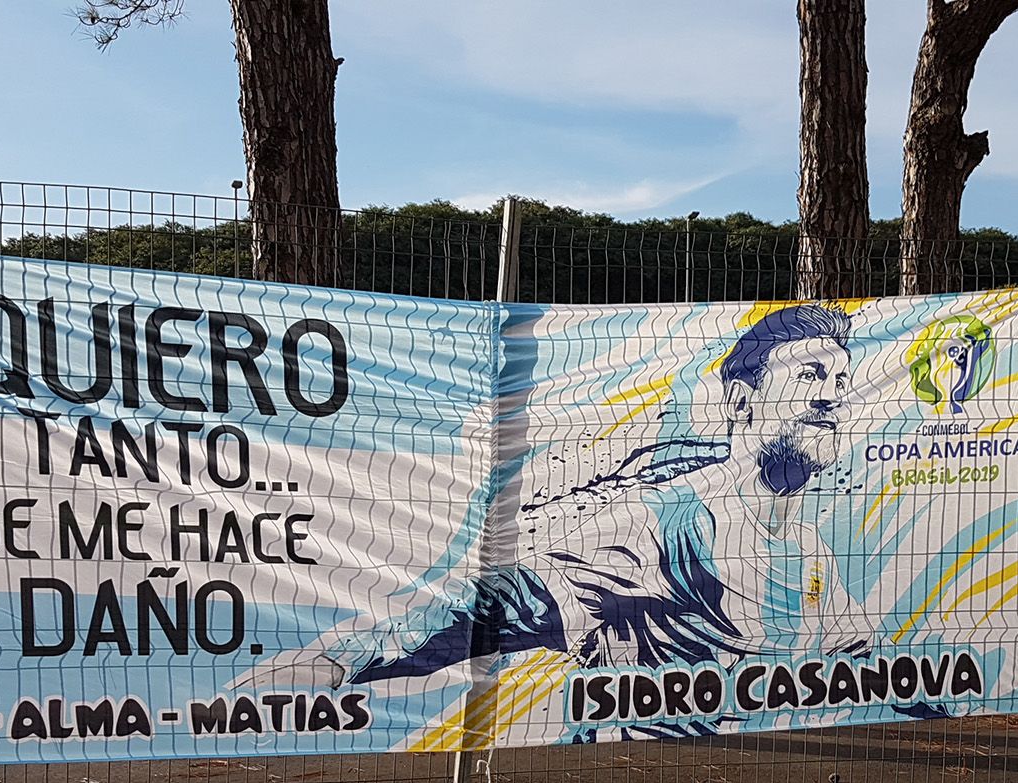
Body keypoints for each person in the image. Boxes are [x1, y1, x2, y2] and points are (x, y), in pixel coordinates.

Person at [234, 304, 874, 738]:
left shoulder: (808, 549)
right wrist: (338, 662)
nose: (831, 394)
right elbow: (494, 607)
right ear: (741, 399)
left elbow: (867, 662)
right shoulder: (662, 526)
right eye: (811, 373)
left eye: (842, 379)